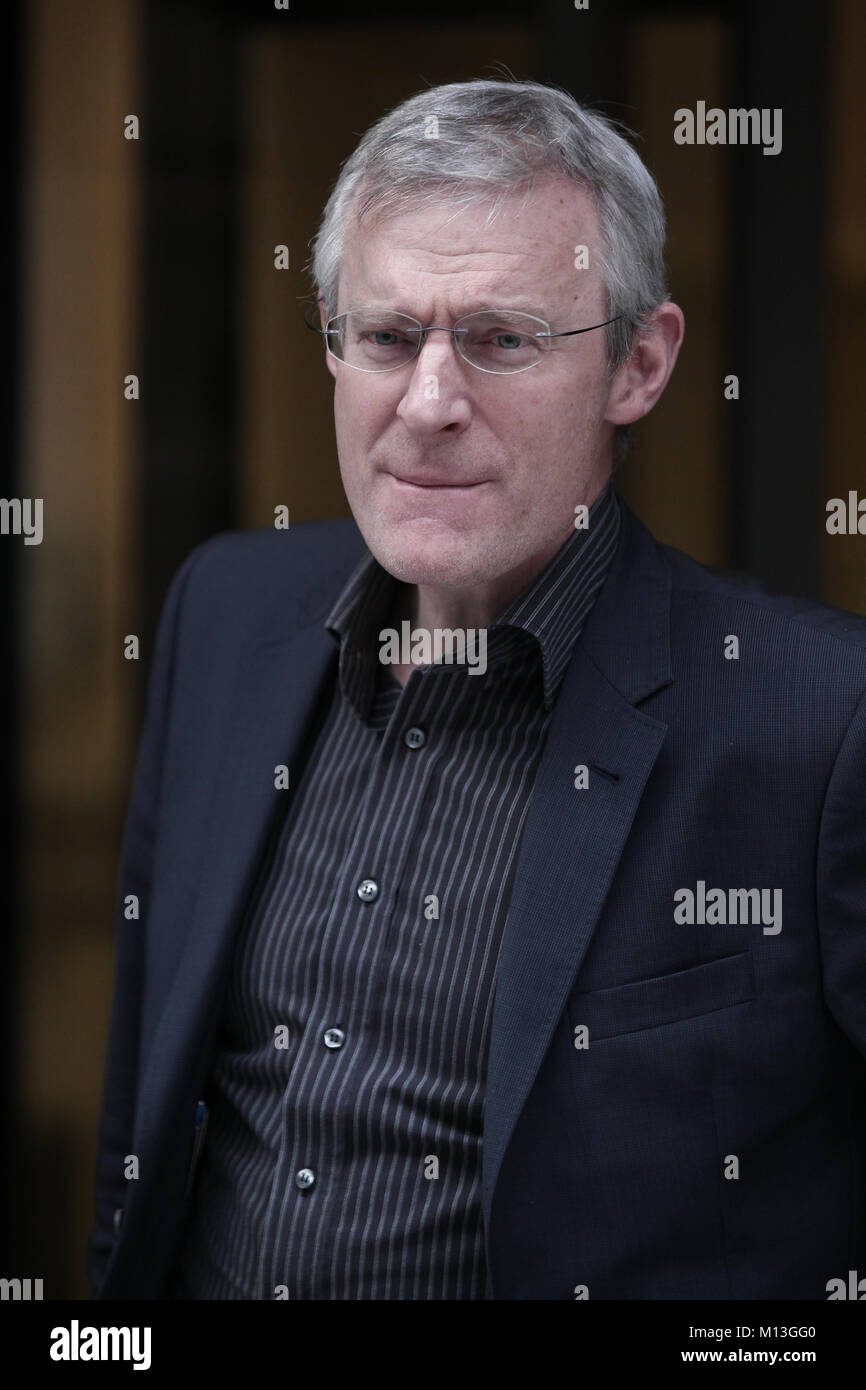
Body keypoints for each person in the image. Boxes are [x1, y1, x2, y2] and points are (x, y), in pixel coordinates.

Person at [87, 78, 866, 1301]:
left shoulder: (818, 720)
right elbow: (144, 1102)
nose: (430, 403)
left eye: (502, 341)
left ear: (638, 364)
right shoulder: (223, 618)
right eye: (388, 337)